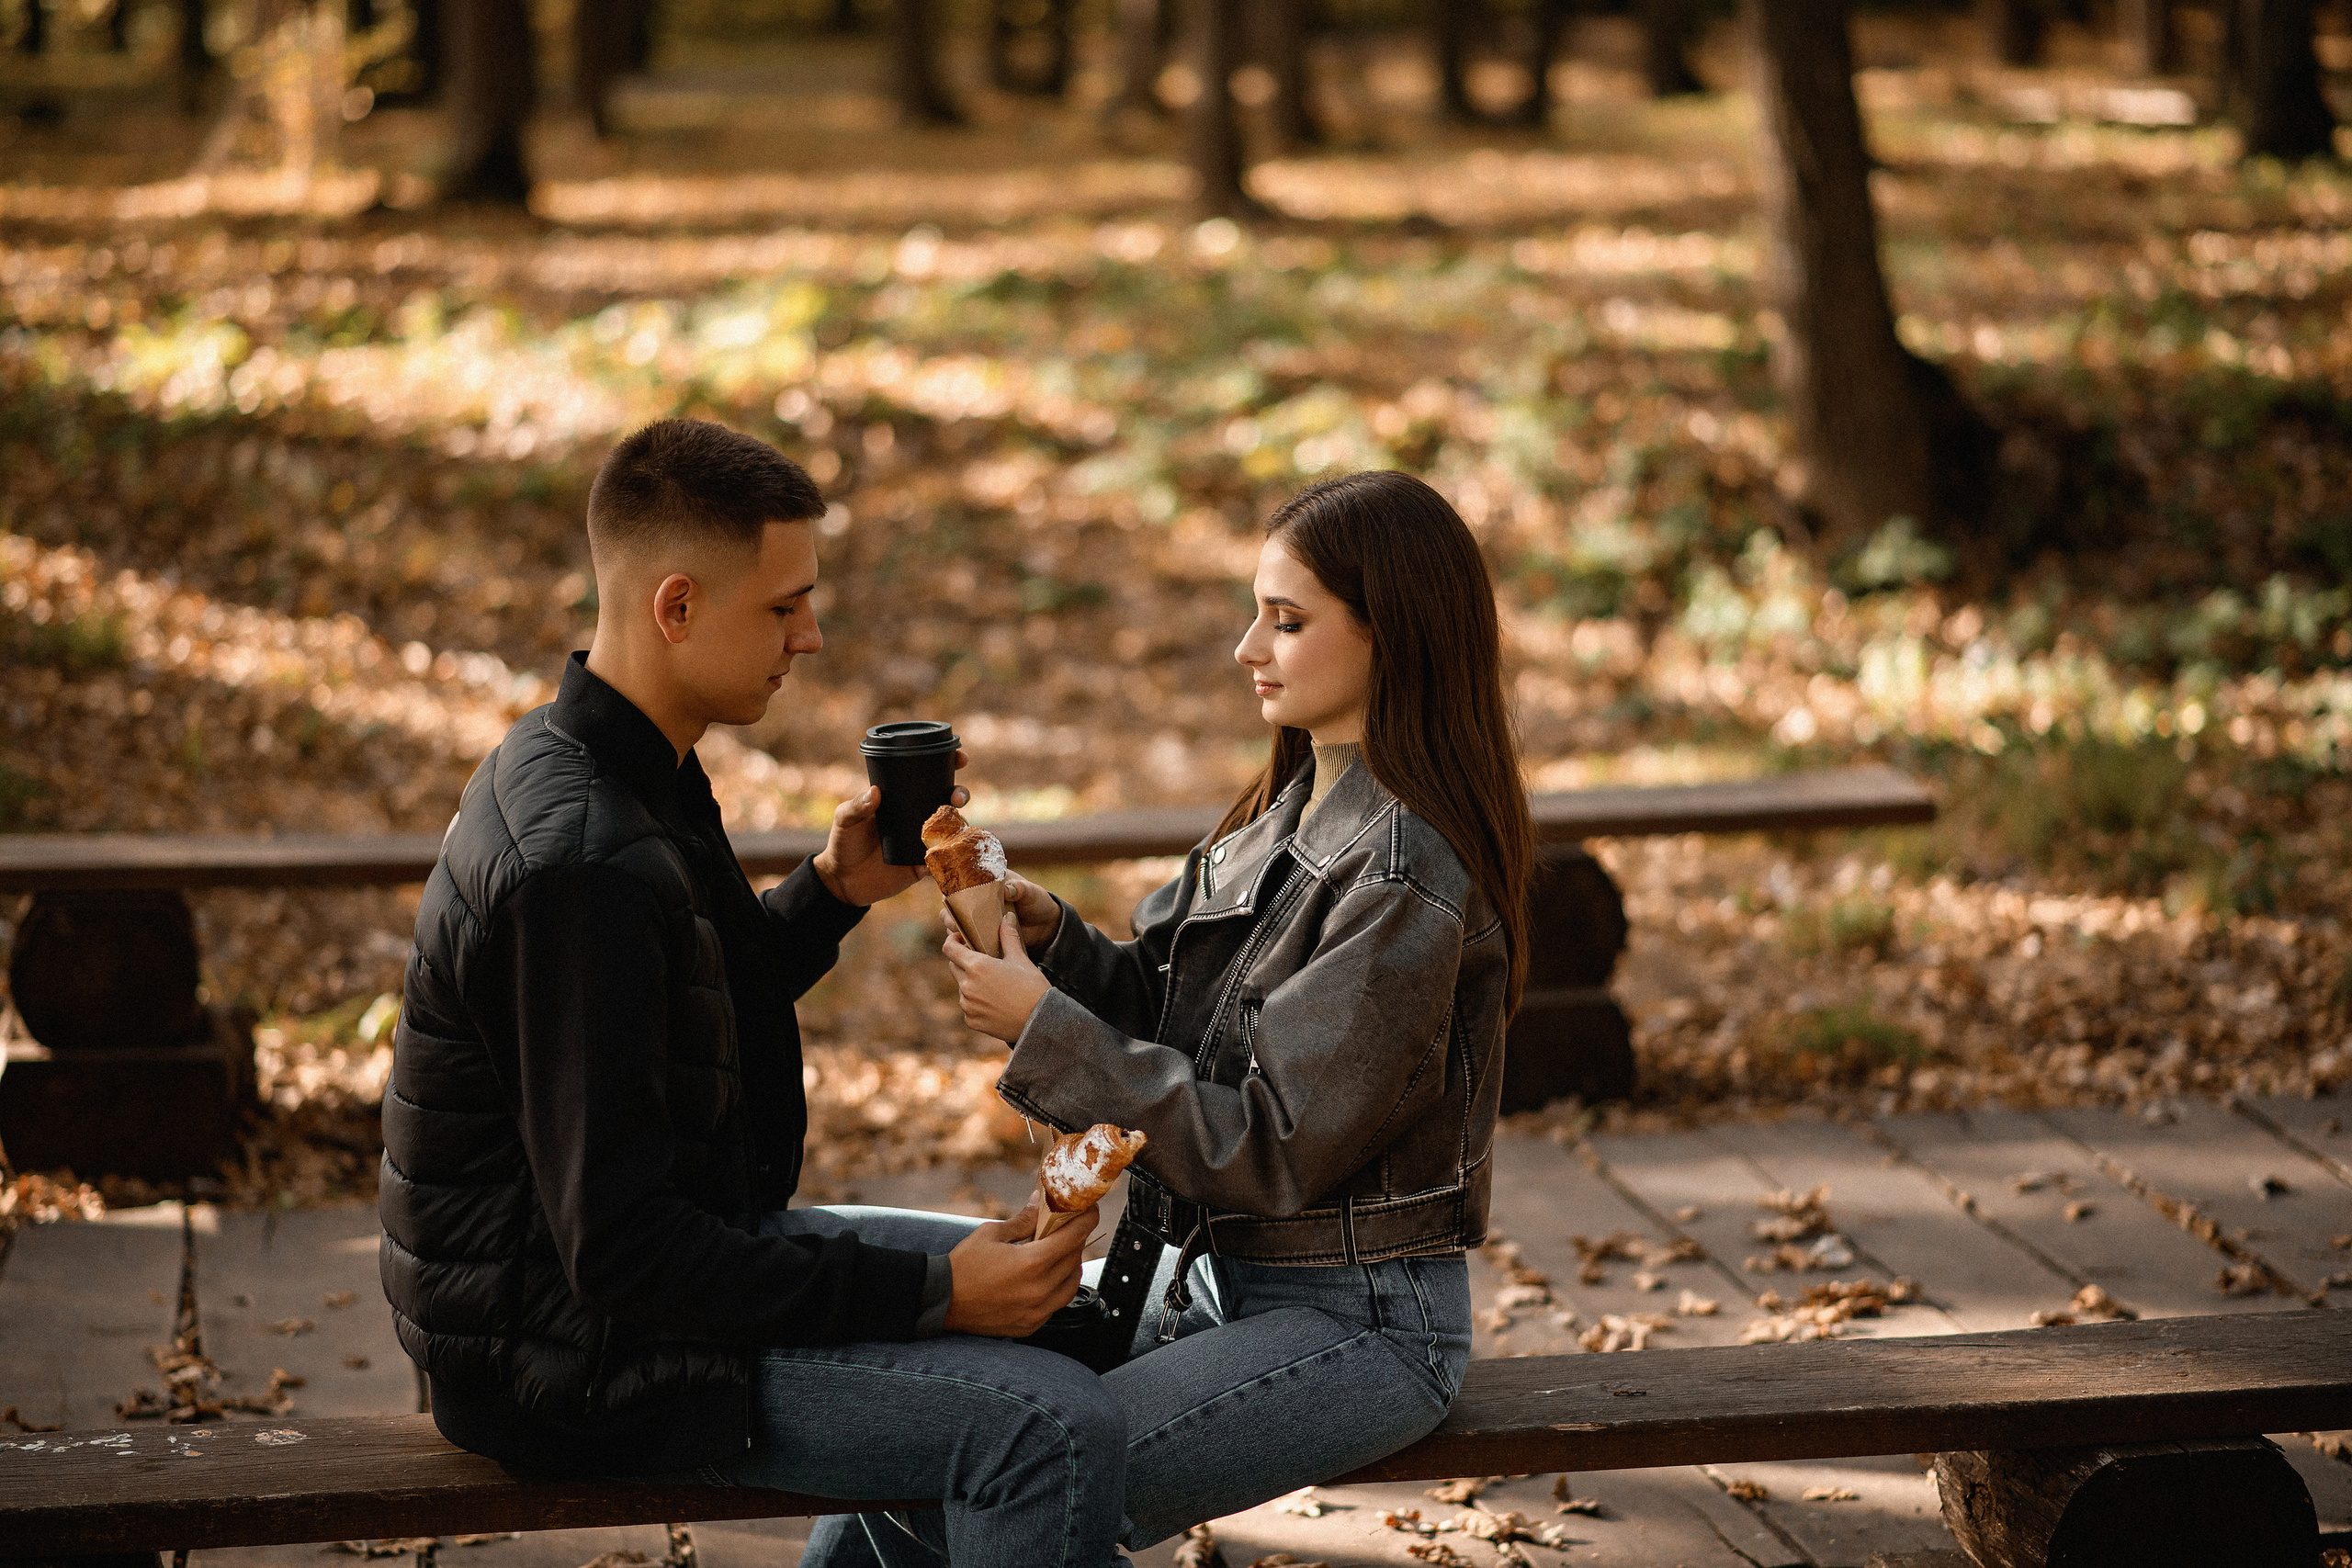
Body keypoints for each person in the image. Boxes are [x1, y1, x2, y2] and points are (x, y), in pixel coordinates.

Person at [378, 418, 1124, 1568]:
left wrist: (830, 892)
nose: (811, 638)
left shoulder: (628, 766)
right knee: (1046, 1429)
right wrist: (934, 1299)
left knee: (1056, 1318)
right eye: (784, 607)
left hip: (653, 1285)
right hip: (572, 1360)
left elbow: (685, 1011)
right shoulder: (580, 861)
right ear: (676, 606)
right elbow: (620, 1253)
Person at [940, 468, 1535, 1551]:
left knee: (1027, 1467)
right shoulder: (1290, 805)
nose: (1245, 648)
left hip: (1357, 1322)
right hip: (1216, 1288)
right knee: (920, 1451)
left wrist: (1044, 1031)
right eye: (1255, 612)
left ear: (1389, 636)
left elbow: (1270, 1145)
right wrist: (1059, 951)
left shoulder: (1404, 878)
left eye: (1286, 620)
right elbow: (1182, 1025)